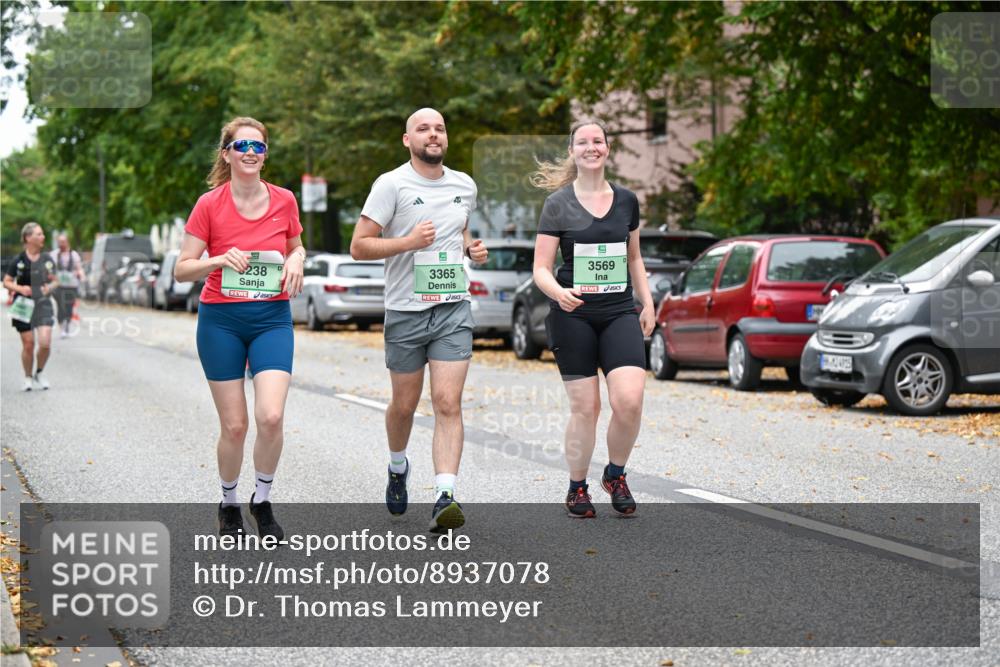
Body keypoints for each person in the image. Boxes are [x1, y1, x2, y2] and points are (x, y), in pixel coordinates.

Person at [351, 107, 487, 533]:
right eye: (423, 129)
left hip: (451, 307)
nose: (434, 134)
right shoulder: (391, 185)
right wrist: (408, 242)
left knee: (447, 402)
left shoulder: (465, 185)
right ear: (407, 140)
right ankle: (397, 466)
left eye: (440, 129)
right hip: (406, 311)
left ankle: (445, 495)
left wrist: (470, 249)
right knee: (405, 405)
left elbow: (459, 229)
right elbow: (359, 246)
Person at [175, 117, 305, 539]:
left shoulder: (285, 200)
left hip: (271, 319)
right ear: (227, 153)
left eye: (259, 147)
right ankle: (229, 502)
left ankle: (261, 501)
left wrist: (297, 259)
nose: (251, 153)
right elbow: (181, 270)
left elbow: (295, 244)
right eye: (242, 146)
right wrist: (217, 259)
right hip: (222, 322)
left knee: (270, 416)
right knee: (235, 426)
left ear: (265, 156)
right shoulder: (209, 204)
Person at [531, 121, 655, 518]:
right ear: (572, 151)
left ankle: (615, 474)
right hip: (573, 315)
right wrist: (558, 293)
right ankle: (577, 487)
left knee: (630, 401)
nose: (590, 147)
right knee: (586, 408)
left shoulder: (626, 201)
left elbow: (633, 257)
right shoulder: (558, 204)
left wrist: (647, 303)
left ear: (607, 148)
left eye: (597, 141)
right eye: (582, 142)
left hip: (619, 311)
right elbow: (541, 268)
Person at [4, 222, 58, 391]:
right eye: (39, 234)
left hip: (42, 303)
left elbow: (56, 280)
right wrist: (20, 288)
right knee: (28, 343)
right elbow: (6, 282)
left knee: (45, 343)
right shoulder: (18, 260)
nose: (43, 237)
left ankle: (39, 372)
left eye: (42, 234)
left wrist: (48, 288)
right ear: (28, 238)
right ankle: (27, 377)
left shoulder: (47, 260)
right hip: (23, 305)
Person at [51, 233, 86, 338]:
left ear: (67, 242)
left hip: (71, 285)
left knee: (69, 307)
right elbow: (49, 268)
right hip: (58, 285)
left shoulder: (74, 255)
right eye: (59, 242)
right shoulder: (54, 254)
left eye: (63, 242)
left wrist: (81, 275)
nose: (61, 244)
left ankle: (66, 325)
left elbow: (79, 267)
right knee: (61, 306)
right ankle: (62, 326)